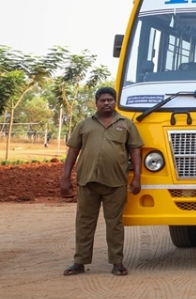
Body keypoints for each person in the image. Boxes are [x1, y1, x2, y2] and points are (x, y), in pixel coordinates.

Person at [60, 87, 143, 277]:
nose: (106, 103)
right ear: (96, 103)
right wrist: (65, 177)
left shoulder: (127, 124)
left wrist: (137, 177)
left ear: (115, 102)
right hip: (87, 181)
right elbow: (73, 151)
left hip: (116, 183)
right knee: (84, 223)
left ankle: (117, 263)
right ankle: (79, 262)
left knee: (114, 224)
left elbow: (136, 152)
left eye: (110, 100)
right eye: (102, 100)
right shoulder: (84, 125)